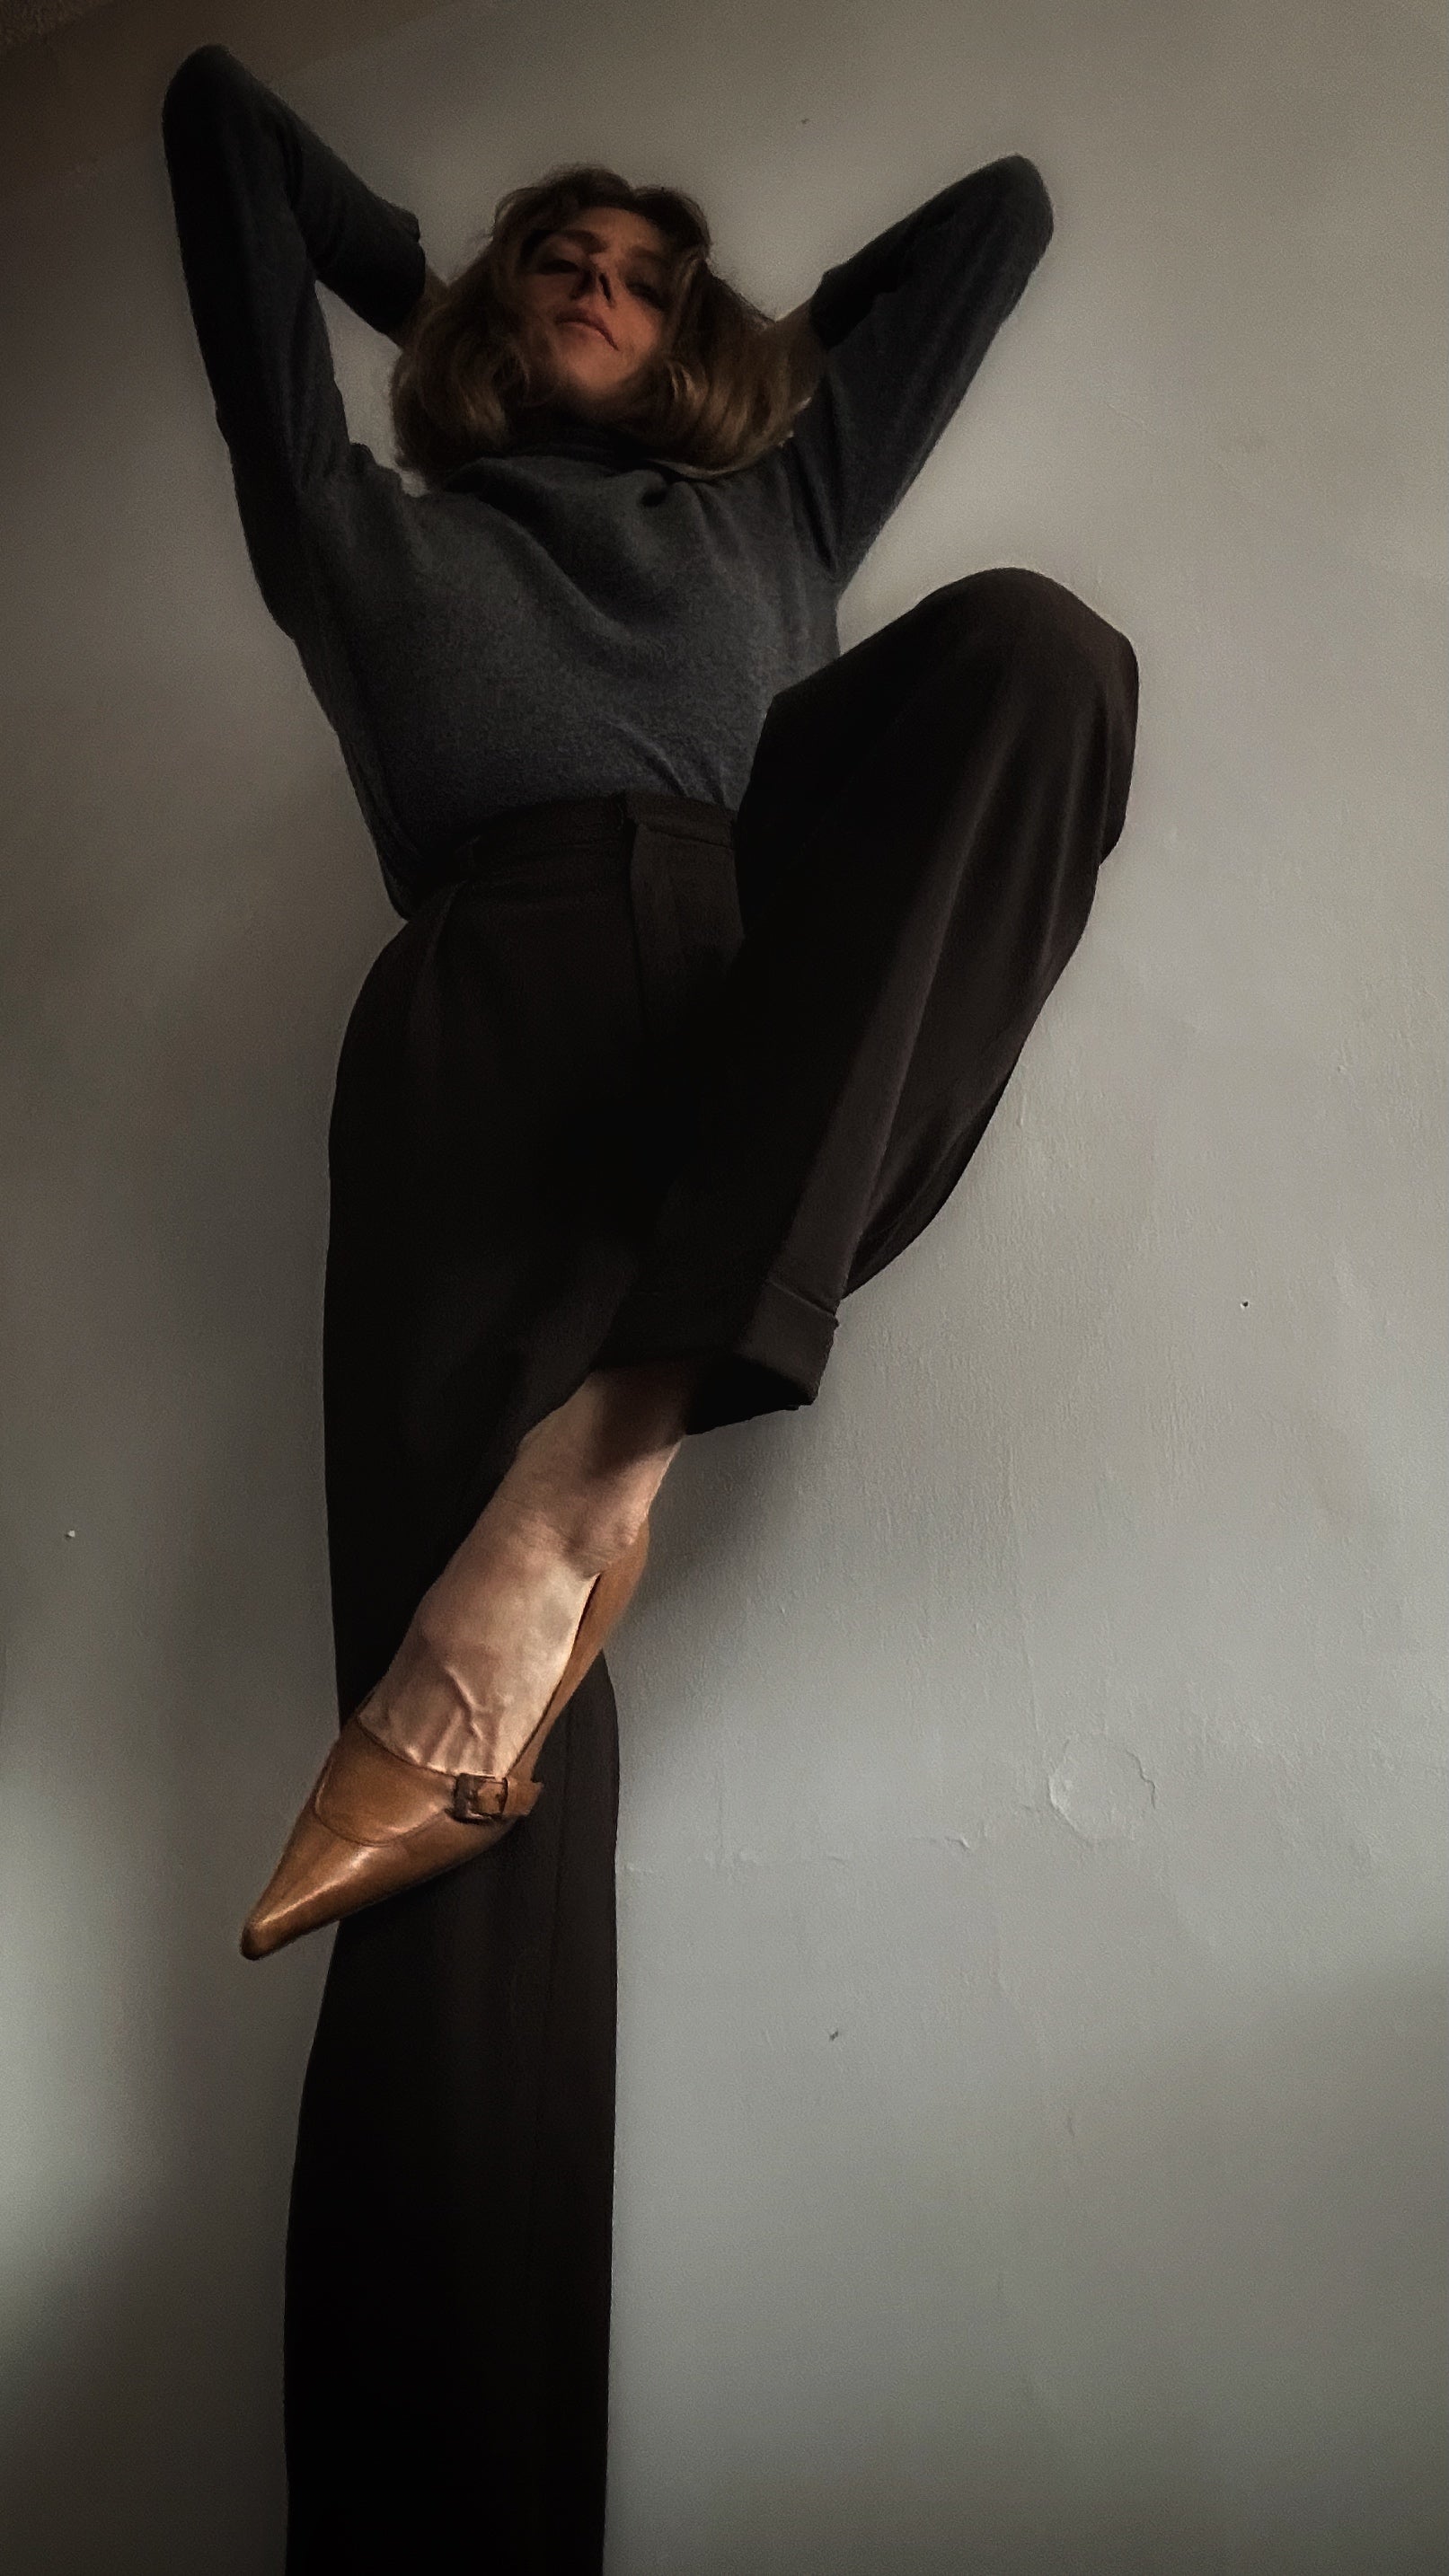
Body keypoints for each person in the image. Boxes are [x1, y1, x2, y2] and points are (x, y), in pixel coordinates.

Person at [160, 41, 1140, 2572]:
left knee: (1038, 660)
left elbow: (1001, 217)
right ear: (494, 316)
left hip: (757, 992)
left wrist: (726, 333)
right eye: (561, 266)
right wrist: (438, 278)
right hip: (485, 1051)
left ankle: (596, 1457)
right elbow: (216, 122)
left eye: (640, 275)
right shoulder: (356, 528)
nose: (597, 288)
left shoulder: (778, 496)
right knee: (466, 1849)